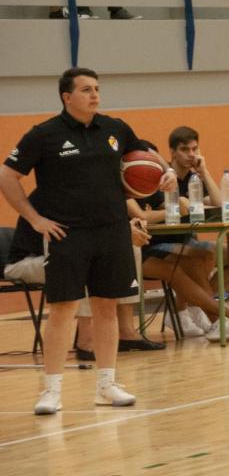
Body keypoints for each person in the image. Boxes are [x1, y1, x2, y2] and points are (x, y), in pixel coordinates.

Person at [0, 67, 176, 415]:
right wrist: (35, 219)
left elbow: (145, 153)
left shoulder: (115, 128)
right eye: (86, 89)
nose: (94, 94)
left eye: (97, 88)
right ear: (67, 97)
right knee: (63, 309)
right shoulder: (44, 135)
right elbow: (7, 174)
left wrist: (166, 171)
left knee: (106, 308)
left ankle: (106, 384)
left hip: (112, 231)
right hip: (68, 233)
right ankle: (51, 390)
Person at [128, 138, 229, 341]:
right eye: (185, 149)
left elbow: (220, 205)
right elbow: (145, 216)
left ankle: (199, 309)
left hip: (178, 241)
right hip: (146, 246)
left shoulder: (169, 180)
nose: (191, 154)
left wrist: (204, 173)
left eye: (195, 149)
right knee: (197, 258)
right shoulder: (128, 186)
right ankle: (225, 316)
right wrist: (171, 209)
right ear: (172, 153)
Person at [4, 215, 165, 360]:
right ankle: (86, 340)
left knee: (130, 249)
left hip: (56, 257)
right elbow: (75, 237)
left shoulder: (89, 199)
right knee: (83, 262)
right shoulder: (51, 197)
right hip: (23, 263)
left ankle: (126, 331)